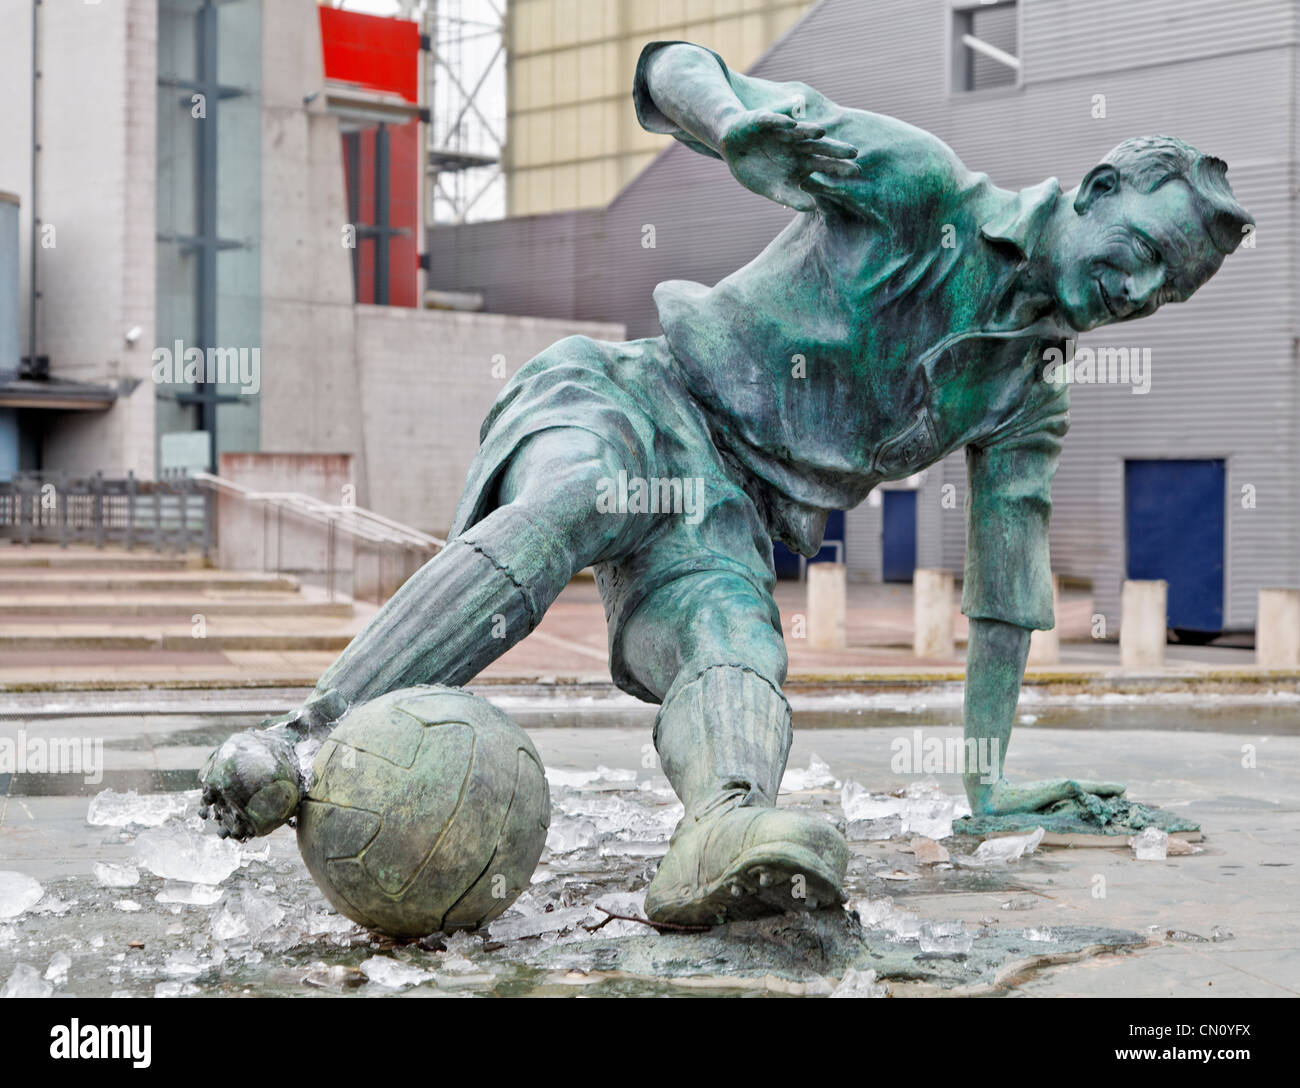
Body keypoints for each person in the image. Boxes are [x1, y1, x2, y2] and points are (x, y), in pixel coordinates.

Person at [199, 41, 1253, 925]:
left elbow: (1003, 602)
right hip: (632, 398)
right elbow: (673, 69)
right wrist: (730, 123)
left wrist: (987, 784)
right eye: (1145, 253)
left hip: (727, 517)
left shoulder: (1028, 395)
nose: (1141, 290)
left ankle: (719, 827)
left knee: (739, 647)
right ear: (1099, 191)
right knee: (588, 496)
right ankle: (300, 736)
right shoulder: (918, 188)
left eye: (1166, 292)